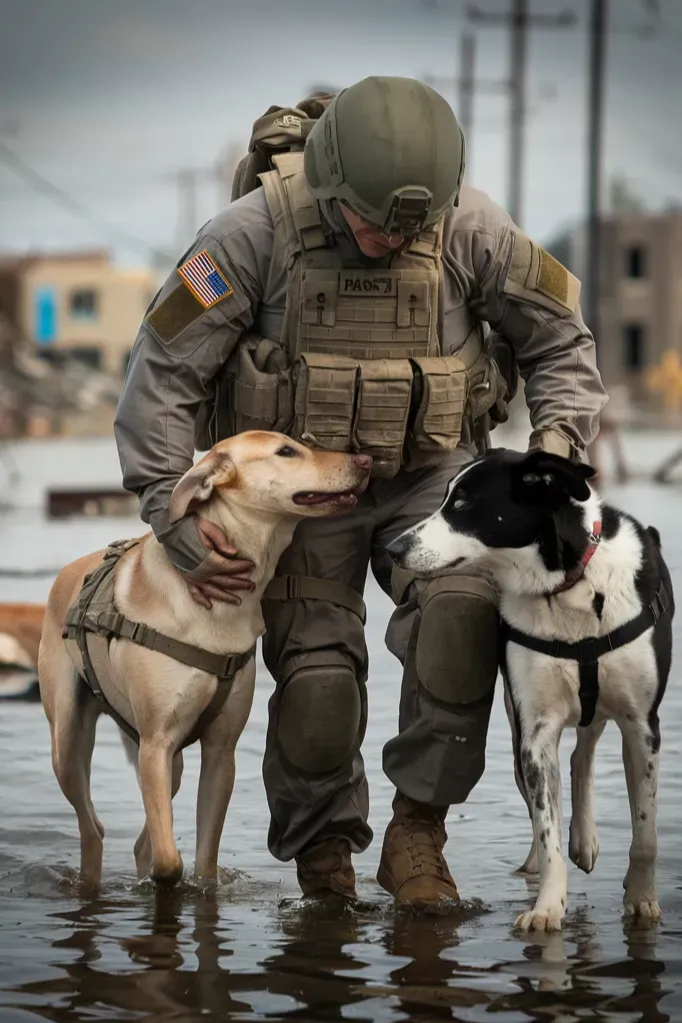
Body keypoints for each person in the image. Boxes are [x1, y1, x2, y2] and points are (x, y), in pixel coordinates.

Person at [114, 76, 608, 906]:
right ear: (332, 189)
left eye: (410, 227)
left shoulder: (472, 227)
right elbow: (159, 379)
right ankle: (325, 861)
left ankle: (418, 832)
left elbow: (562, 341)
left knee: (459, 618)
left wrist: (553, 455)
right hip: (301, 500)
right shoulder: (244, 237)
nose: (393, 238)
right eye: (377, 222)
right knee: (317, 682)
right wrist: (177, 522)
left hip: (433, 481)